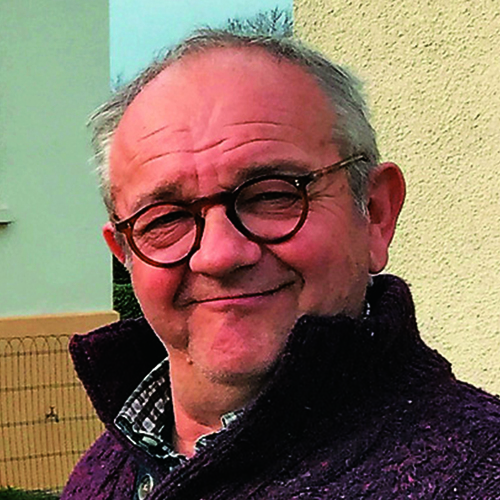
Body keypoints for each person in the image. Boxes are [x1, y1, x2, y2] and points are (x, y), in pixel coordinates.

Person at [61, 27, 500, 500]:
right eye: (166, 218)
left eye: (272, 195)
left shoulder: (481, 474)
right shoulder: (99, 474)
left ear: (375, 213)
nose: (219, 255)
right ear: (125, 253)